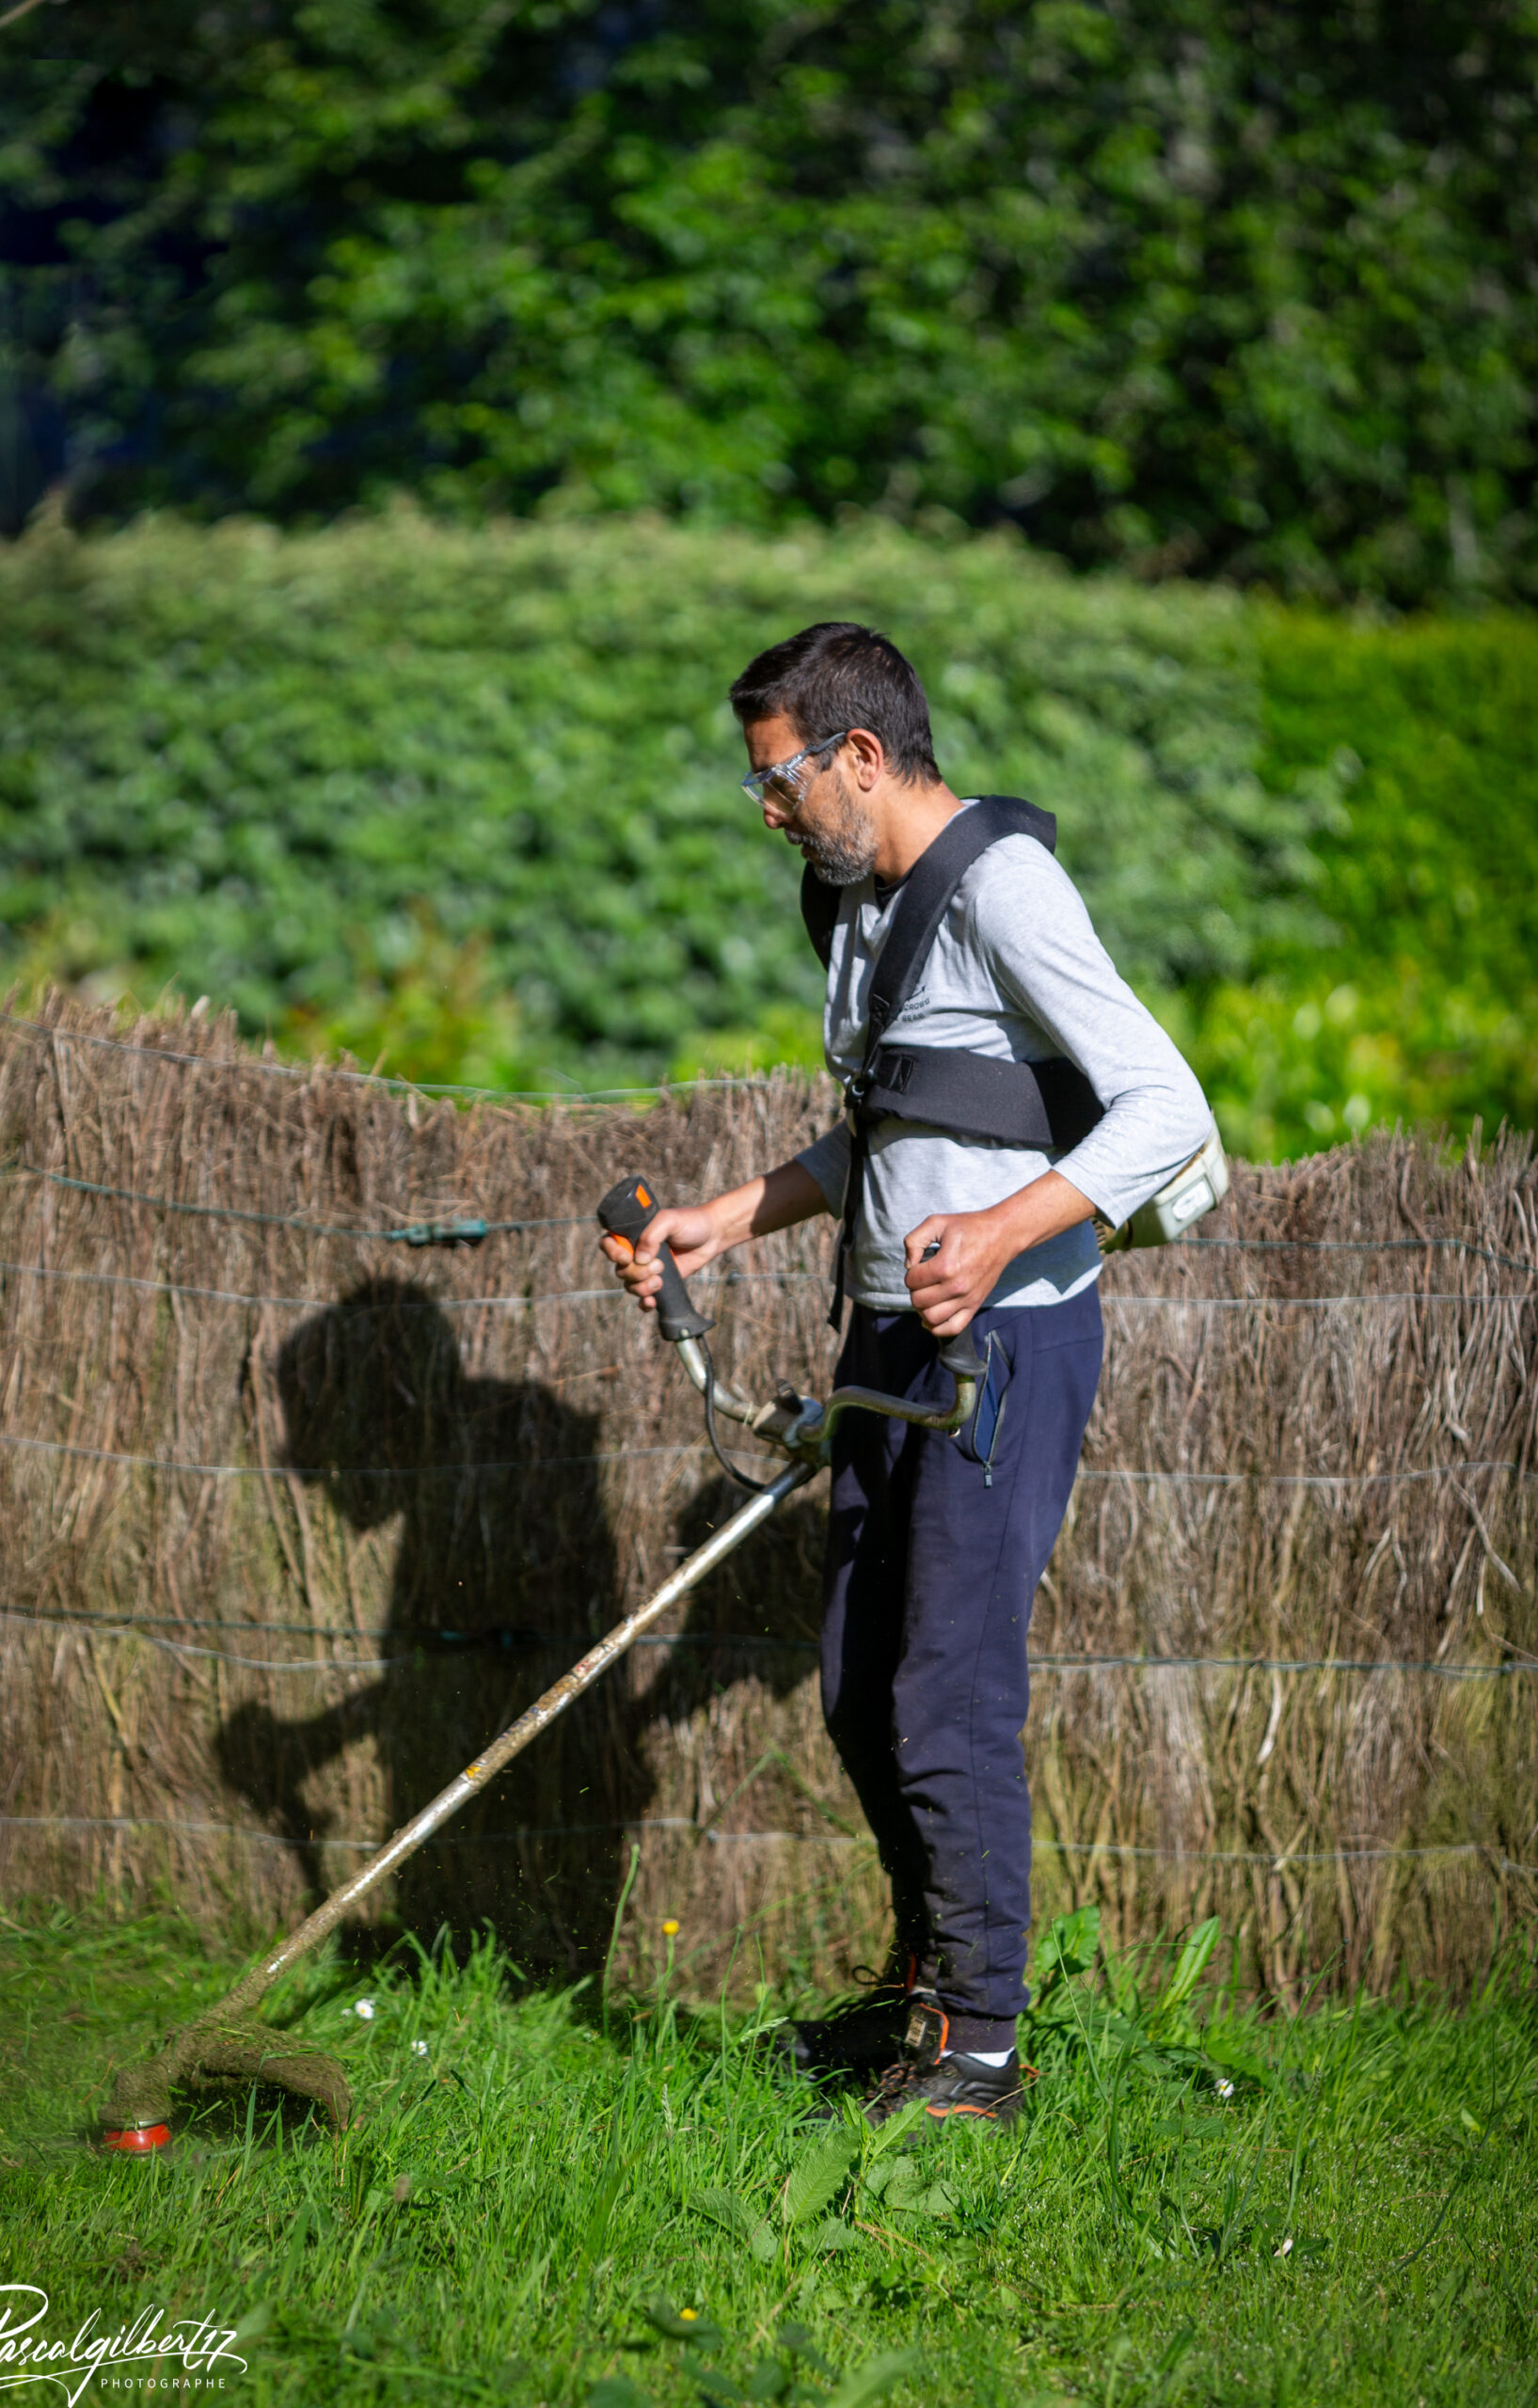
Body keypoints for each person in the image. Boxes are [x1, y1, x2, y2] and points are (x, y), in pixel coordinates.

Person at [601, 622, 1211, 2126]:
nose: (770, 810)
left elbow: (1167, 1107)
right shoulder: (863, 907)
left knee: (945, 1689)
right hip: (888, 1338)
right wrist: (728, 1219)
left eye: (781, 780)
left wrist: (1007, 1230)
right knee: (860, 1687)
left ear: (861, 758)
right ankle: (923, 1997)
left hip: (1002, 1342)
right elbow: (902, 1120)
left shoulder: (1005, 887)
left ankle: (981, 2055)